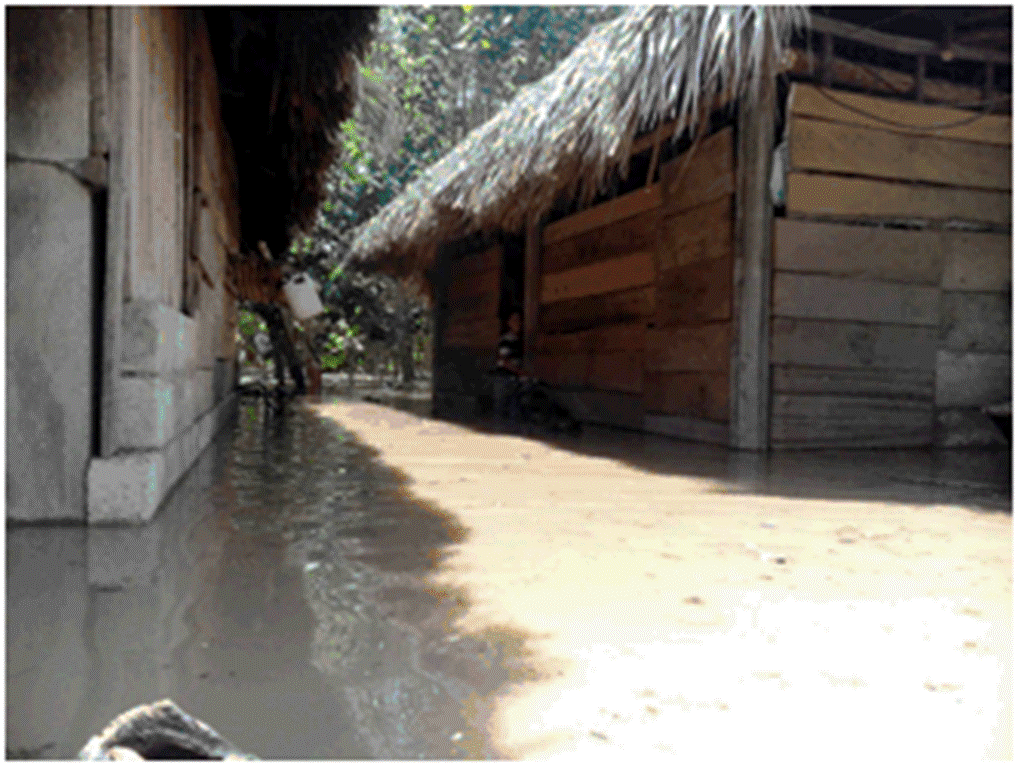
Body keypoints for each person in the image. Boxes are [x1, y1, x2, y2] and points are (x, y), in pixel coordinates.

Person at [492, 310, 525, 428]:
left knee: (513, 407)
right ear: (509, 323)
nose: (517, 324)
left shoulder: (518, 340)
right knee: (501, 407)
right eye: (514, 321)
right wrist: (518, 371)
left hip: (514, 378)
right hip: (503, 377)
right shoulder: (507, 340)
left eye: (519, 321)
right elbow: (503, 360)